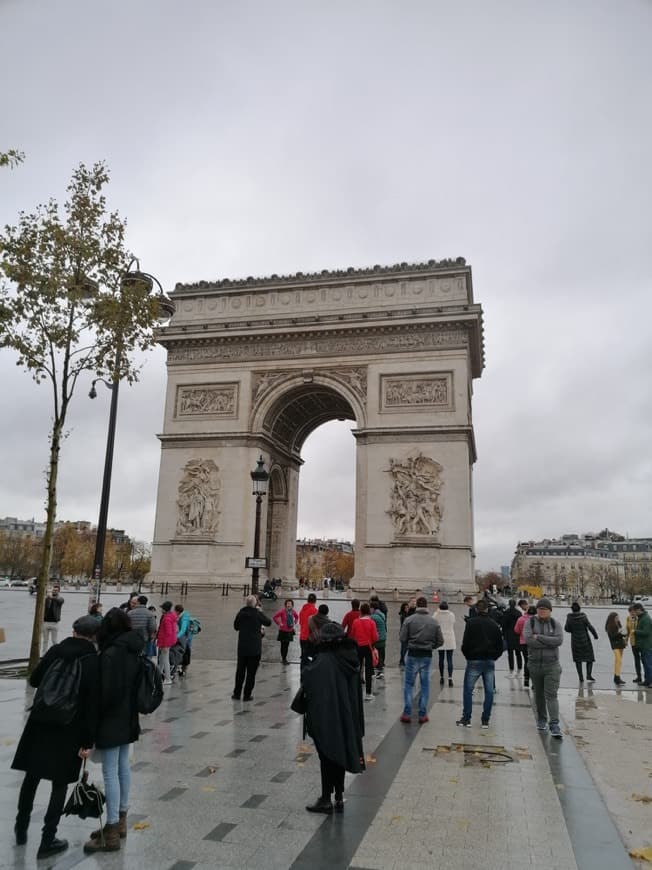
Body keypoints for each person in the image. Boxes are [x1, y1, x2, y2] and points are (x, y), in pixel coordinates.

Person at [12, 615, 100, 859]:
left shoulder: (55, 651)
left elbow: (35, 680)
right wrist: (87, 741)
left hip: (40, 722)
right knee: (59, 784)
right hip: (69, 727)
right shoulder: (93, 661)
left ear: (73, 631)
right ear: (94, 636)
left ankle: (20, 829)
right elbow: (91, 705)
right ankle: (47, 840)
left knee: (31, 777)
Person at [83, 608, 144, 854]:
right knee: (122, 768)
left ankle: (110, 831)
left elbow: (103, 695)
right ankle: (120, 822)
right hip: (129, 716)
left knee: (110, 772)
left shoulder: (109, 654)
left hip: (111, 719)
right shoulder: (134, 650)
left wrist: (90, 727)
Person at [302, 622, 365, 814]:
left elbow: (308, 680)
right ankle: (338, 796)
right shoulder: (351, 659)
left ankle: (325, 798)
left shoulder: (324, 660)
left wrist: (306, 660)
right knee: (340, 754)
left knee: (327, 756)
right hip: (347, 716)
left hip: (328, 717)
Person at [456, 598, 503, 728]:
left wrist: (468, 656)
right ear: (488, 609)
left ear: (476, 609)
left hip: (474, 660)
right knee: (489, 691)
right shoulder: (494, 624)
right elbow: (500, 645)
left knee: (468, 690)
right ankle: (485, 720)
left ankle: (466, 718)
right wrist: (494, 657)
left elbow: (465, 643)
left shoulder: (471, 623)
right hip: (489, 661)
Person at [523, 598, 564, 738]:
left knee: (551, 695)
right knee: (538, 694)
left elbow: (558, 641)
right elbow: (528, 640)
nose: (542, 611)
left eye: (545, 609)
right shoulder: (530, 622)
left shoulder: (555, 624)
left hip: (552, 665)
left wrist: (539, 637)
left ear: (550, 611)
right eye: (540, 609)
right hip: (534, 665)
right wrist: (548, 642)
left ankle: (554, 724)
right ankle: (541, 719)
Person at [399, 596, 443, 724]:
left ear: (417, 606)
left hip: (412, 654)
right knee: (425, 685)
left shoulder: (409, 620)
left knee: (408, 684)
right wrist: (431, 646)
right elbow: (440, 641)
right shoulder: (434, 622)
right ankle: (422, 714)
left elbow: (402, 638)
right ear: (426, 606)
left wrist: (410, 643)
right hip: (426, 655)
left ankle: (407, 713)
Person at [232, 594, 271, 701]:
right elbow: (268, 622)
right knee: (251, 673)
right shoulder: (257, 614)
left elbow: (235, 627)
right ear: (255, 604)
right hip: (254, 649)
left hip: (242, 648)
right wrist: (260, 612)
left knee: (240, 672)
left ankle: (236, 694)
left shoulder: (241, 613)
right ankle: (247, 695)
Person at [349, 602, 379, 701]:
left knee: (358, 669)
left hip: (358, 647)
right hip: (368, 647)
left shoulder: (355, 622)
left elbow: (352, 635)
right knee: (369, 669)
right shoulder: (371, 622)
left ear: (361, 611)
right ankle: (368, 693)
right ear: (369, 612)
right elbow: (375, 637)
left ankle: (356, 692)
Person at [565, 602, 599, 683]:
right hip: (585, 640)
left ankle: (581, 677)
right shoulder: (583, 616)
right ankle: (588, 675)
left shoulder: (569, 617)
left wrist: (573, 630)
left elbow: (566, 628)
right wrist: (595, 635)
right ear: (579, 608)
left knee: (578, 660)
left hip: (575, 641)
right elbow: (590, 626)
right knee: (590, 658)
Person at [514, 603, 535, 687]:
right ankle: (534, 682)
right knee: (534, 662)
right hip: (534, 643)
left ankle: (526, 679)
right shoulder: (537, 620)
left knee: (527, 661)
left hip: (523, 642)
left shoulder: (521, 619)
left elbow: (516, 630)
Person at [157, 601, 177, 686]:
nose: (161, 609)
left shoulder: (166, 618)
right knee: (161, 659)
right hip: (168, 641)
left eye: (162, 608)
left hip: (165, 642)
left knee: (165, 660)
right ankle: (158, 676)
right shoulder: (172, 616)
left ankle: (168, 679)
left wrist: (165, 644)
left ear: (165, 609)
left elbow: (168, 632)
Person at [436, 601, 456, 686]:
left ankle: (441, 677)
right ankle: (450, 678)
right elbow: (453, 622)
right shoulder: (451, 615)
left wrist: (437, 611)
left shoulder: (437, 615)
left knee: (441, 659)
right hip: (450, 638)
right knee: (449, 659)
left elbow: (434, 621)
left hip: (440, 638)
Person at [273, 598, 299, 664]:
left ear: (292, 605)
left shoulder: (293, 611)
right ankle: (283, 659)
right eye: (287, 603)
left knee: (286, 646)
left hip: (289, 631)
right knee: (283, 645)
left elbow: (296, 617)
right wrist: (279, 623)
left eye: (290, 604)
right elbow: (275, 617)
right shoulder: (282, 611)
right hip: (283, 631)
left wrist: (295, 622)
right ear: (285, 605)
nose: (289, 605)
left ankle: (284, 658)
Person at [605, 611, 627, 686]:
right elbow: (612, 637)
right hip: (615, 645)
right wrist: (620, 633)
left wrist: (624, 633)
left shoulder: (618, 624)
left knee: (618, 661)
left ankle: (616, 676)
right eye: (616, 618)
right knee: (618, 660)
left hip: (621, 644)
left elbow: (623, 633)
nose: (618, 619)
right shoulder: (609, 626)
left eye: (618, 617)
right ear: (612, 618)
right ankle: (617, 677)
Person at [632, 603, 652, 687]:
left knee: (648, 664)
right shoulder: (641, 618)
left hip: (646, 645)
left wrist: (635, 631)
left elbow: (646, 632)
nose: (635, 613)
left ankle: (650, 681)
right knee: (645, 663)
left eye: (636, 611)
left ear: (639, 610)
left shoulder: (646, 619)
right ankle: (647, 680)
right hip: (642, 645)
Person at [41, 584, 64, 654]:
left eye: (56, 590)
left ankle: (57, 653)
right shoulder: (47, 599)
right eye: (53, 590)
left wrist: (51, 597)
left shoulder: (60, 599)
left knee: (54, 640)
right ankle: (44, 654)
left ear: (59, 591)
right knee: (45, 640)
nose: (54, 591)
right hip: (46, 622)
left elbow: (59, 601)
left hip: (55, 623)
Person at [503, 599, 523, 674]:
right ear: (515, 604)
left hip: (509, 635)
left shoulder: (506, 612)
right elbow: (521, 624)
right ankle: (519, 668)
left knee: (510, 654)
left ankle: (511, 669)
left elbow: (503, 624)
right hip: (517, 635)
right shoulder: (518, 613)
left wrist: (504, 634)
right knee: (518, 653)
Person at [299, 593, 318, 668]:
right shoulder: (315, 611)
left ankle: (302, 674)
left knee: (303, 657)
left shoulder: (302, 610)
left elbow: (300, 623)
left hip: (302, 637)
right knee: (313, 657)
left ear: (307, 600)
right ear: (315, 601)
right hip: (310, 638)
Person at [626, 605, 643, 684]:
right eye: (630, 612)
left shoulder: (640, 618)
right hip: (633, 642)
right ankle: (639, 676)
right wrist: (626, 640)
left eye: (633, 612)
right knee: (636, 660)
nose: (632, 613)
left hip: (640, 641)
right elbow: (627, 630)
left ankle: (648, 676)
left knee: (644, 660)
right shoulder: (628, 618)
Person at [370, 599, 387, 678]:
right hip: (383, 637)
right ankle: (381, 670)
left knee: (377, 655)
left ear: (373, 608)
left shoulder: (373, 617)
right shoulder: (382, 614)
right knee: (381, 654)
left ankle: (379, 672)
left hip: (378, 638)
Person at [398, 597, 417, 667]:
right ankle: (402, 661)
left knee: (412, 648)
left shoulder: (416, 611)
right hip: (405, 633)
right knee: (404, 648)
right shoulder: (406, 611)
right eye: (413, 601)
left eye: (415, 601)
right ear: (410, 602)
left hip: (412, 633)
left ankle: (409, 661)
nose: (414, 603)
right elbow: (403, 621)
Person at [174, 603, 191, 676]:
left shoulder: (184, 617)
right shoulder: (178, 616)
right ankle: (180, 666)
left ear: (177, 611)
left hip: (186, 637)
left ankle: (184, 668)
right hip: (180, 636)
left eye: (175, 611)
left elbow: (183, 629)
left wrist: (176, 636)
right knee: (181, 651)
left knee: (185, 651)